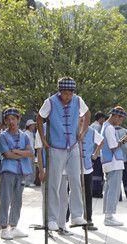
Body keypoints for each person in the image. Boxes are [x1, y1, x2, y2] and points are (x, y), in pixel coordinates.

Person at [36, 77, 90, 231]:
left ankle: (76, 215)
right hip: (56, 147)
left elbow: (87, 114)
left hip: (72, 145)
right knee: (54, 183)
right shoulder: (50, 102)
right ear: (60, 92)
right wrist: (43, 138)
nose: (68, 96)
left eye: (70, 93)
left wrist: (83, 131)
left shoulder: (78, 100)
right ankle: (52, 219)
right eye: (65, 93)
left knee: (76, 180)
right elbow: (39, 118)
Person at [0, 108, 33, 240]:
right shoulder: (2, 136)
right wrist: (22, 153)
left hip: (21, 171)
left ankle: (14, 226)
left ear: (18, 119)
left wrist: (16, 151)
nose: (11, 121)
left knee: (18, 200)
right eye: (8, 119)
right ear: (5, 121)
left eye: (14, 118)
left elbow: (30, 153)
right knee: (5, 199)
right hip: (8, 170)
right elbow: (7, 154)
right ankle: (3, 228)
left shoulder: (25, 136)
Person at [101, 106, 127, 226]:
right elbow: (113, 146)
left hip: (108, 162)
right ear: (116, 116)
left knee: (109, 189)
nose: (120, 122)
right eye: (121, 119)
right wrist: (124, 140)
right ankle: (109, 216)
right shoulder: (110, 128)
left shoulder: (105, 126)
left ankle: (108, 214)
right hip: (114, 162)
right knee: (114, 189)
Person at [81, 125, 104, 230]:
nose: (82, 122)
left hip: (87, 167)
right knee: (70, 193)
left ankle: (88, 219)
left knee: (88, 194)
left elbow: (101, 141)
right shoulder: (72, 128)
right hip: (73, 166)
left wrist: (95, 153)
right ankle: (64, 219)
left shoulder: (91, 131)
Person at [115, 123, 127, 202]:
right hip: (126, 158)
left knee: (117, 179)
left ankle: (118, 197)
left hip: (115, 159)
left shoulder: (110, 130)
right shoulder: (126, 131)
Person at [90, 111, 107, 198]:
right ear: (100, 118)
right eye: (103, 118)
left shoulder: (91, 126)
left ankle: (93, 190)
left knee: (94, 174)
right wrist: (96, 152)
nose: (104, 120)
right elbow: (98, 141)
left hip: (92, 153)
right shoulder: (98, 127)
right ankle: (97, 192)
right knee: (98, 174)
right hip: (97, 154)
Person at [24, 119, 37, 187]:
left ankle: (30, 181)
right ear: (29, 126)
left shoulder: (31, 133)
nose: (34, 126)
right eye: (33, 125)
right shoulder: (26, 133)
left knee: (32, 167)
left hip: (32, 153)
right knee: (29, 167)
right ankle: (28, 182)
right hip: (28, 153)